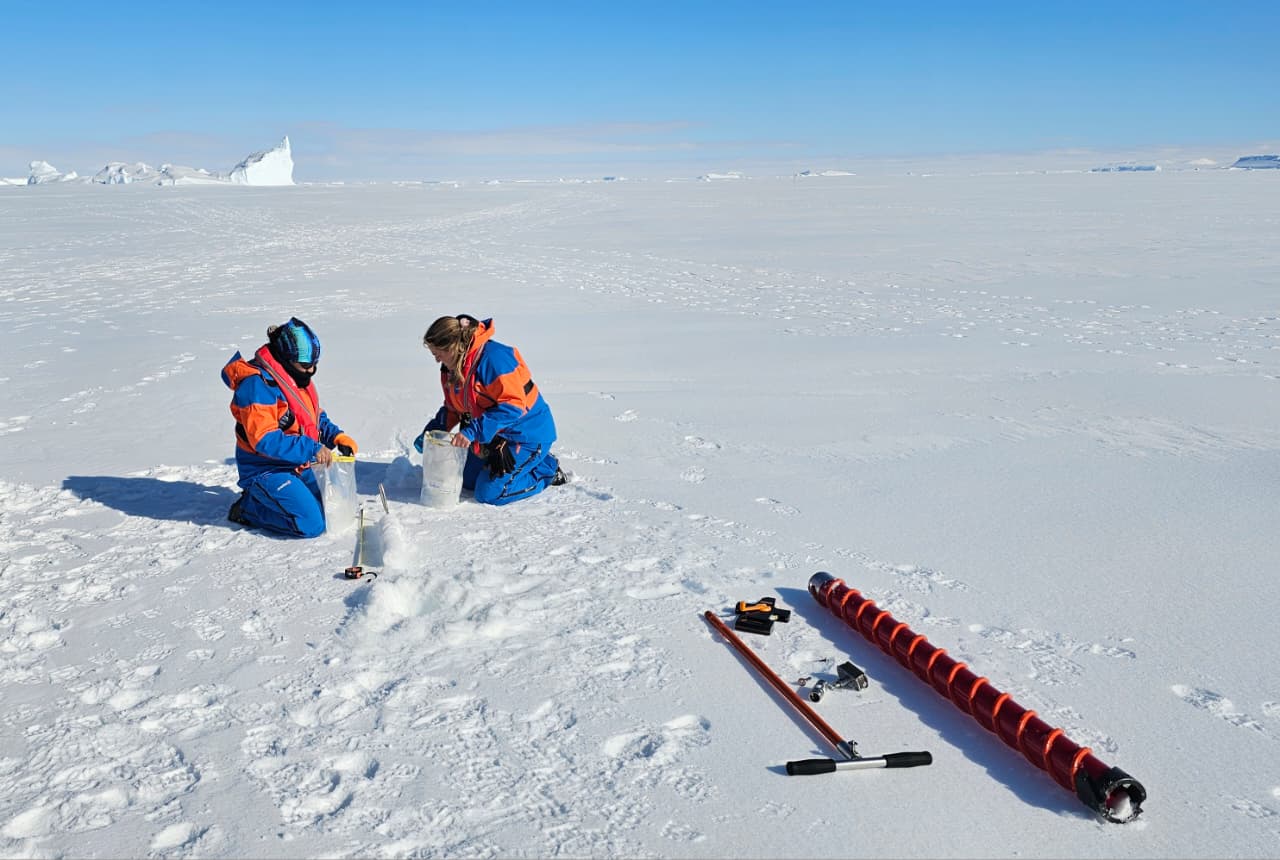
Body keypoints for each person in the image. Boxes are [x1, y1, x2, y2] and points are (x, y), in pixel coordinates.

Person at [220, 317, 358, 537]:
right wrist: (311, 448)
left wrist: (336, 437)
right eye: (306, 365)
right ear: (285, 358)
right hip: (265, 469)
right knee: (312, 524)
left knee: (336, 505)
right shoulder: (257, 386)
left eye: (314, 365)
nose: (311, 370)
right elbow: (264, 439)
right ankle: (248, 508)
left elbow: (312, 417)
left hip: (297, 463)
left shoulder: (294, 378)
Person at [414, 314, 566, 505]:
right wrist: (434, 431)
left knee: (489, 493)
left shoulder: (495, 360)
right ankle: (531, 462)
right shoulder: (452, 369)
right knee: (466, 480)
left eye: (439, 354)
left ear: (453, 348)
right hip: (494, 436)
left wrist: (471, 432)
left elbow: (513, 406)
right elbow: (454, 407)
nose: (437, 360)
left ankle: (547, 470)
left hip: (526, 435)